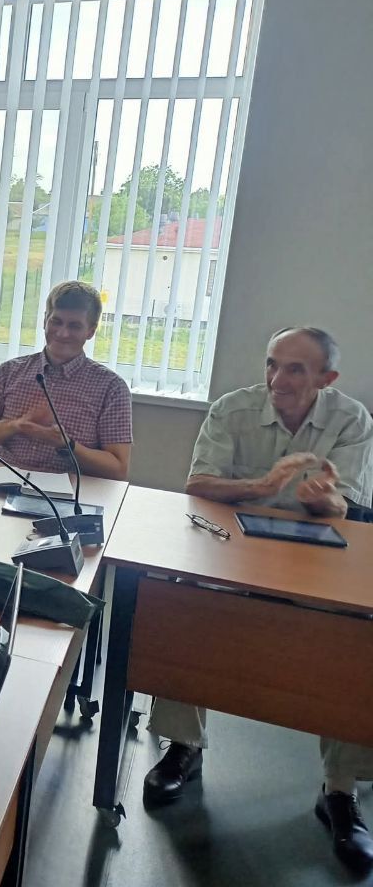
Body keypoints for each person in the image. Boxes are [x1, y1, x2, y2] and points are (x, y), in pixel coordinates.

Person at [144, 326, 373, 872]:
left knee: (358, 634)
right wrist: (263, 486)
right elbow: (199, 483)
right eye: (272, 363)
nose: (277, 379)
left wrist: (325, 502)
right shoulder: (234, 408)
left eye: (295, 369)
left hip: (318, 554)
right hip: (234, 545)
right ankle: (183, 745)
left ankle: (340, 789)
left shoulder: (352, 419)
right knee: (182, 600)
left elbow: (350, 508)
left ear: (327, 378)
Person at [0, 280, 133, 480]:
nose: (62, 333)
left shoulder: (111, 387)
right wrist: (15, 426)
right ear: (44, 320)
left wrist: (67, 445)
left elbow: (118, 470)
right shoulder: (9, 372)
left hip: (70, 491)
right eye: (56, 322)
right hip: (2, 482)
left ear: (91, 331)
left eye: (74, 326)